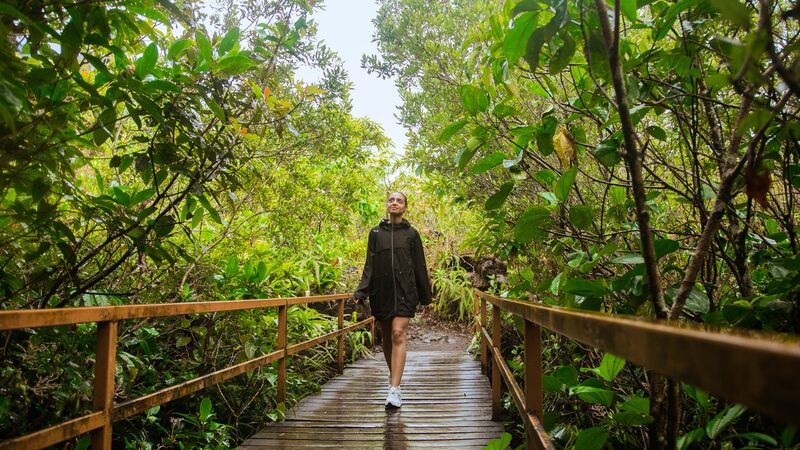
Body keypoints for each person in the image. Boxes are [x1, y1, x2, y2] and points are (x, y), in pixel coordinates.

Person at [353, 191, 432, 409]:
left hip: (406, 292)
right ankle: (393, 378)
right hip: (382, 292)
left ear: (405, 207)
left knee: (398, 333)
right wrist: (362, 291)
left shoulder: (412, 234)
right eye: (391, 200)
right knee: (388, 338)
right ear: (387, 205)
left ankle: (395, 389)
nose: (395, 203)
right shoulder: (375, 233)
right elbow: (369, 264)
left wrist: (426, 297)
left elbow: (419, 266)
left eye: (399, 201)